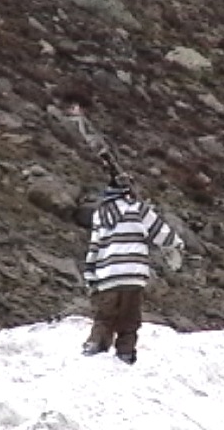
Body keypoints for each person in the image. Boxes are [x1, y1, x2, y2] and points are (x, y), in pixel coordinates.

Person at [81, 154, 185, 364]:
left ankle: (95, 345)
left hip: (108, 276)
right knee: (129, 318)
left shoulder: (100, 214)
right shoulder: (139, 210)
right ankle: (125, 353)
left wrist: (90, 275)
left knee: (105, 315)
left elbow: (95, 247)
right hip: (133, 276)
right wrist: (177, 245)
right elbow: (161, 233)